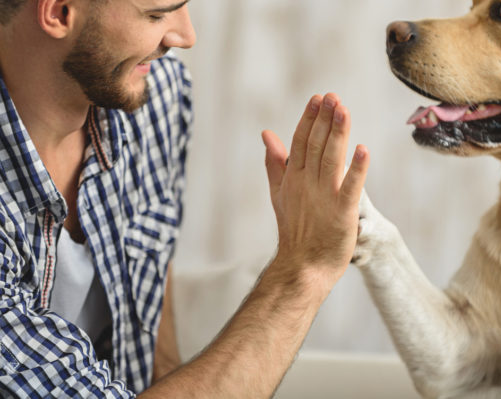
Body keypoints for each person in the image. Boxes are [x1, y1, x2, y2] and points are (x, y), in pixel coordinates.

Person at [0, 0, 370, 397]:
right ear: (59, 12)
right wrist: (304, 270)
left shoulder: (153, 94)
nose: (186, 37)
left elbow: (152, 291)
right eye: (157, 14)